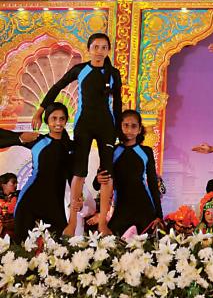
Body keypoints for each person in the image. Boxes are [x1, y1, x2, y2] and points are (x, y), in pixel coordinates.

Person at [34, 33, 120, 235]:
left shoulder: (113, 73)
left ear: (108, 50)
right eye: (96, 47)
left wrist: (117, 132)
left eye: (104, 47)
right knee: (79, 172)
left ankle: (102, 224)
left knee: (107, 174)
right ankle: (72, 223)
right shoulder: (80, 70)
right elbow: (57, 87)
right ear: (89, 49)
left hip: (106, 126)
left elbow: (118, 104)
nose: (99, 51)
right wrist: (40, 110)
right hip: (84, 125)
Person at [1, 103, 76, 242]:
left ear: (66, 121)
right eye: (54, 118)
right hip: (29, 199)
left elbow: (74, 177)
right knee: (22, 248)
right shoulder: (37, 140)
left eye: (62, 118)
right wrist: (19, 138)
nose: (58, 122)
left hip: (55, 204)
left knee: (61, 248)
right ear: (47, 120)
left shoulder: (71, 147)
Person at [96, 110, 162, 235]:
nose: (129, 130)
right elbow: (97, 183)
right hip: (121, 209)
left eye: (133, 126)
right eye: (126, 125)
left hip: (144, 209)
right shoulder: (113, 151)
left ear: (139, 129)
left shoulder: (146, 151)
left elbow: (153, 184)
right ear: (120, 127)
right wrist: (98, 178)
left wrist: (159, 215)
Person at [0, 173, 18, 239]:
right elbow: (10, 210)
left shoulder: (17, 196)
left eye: (17, 183)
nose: (16, 185)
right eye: (13, 183)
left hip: (14, 234)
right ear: (3, 184)